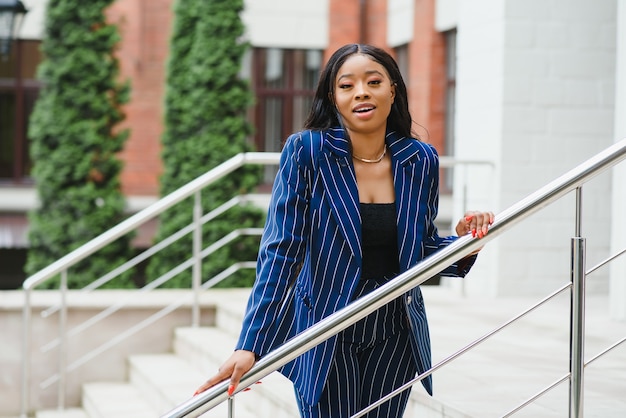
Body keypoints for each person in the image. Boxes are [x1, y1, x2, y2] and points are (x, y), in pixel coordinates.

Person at [194, 43, 494, 417]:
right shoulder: (308, 151)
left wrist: (464, 244)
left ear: (392, 90)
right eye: (347, 85)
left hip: (394, 330)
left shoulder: (420, 160)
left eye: (373, 82)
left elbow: (419, 250)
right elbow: (281, 251)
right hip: (324, 329)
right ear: (333, 97)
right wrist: (251, 342)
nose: (361, 92)